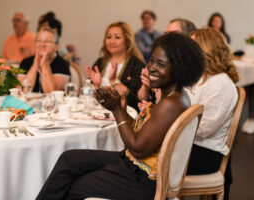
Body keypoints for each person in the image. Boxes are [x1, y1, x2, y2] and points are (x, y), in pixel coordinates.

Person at [35, 32, 205, 200]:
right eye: (151, 61)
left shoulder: (171, 104)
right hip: (133, 164)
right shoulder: (175, 96)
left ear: (179, 68)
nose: (151, 67)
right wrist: (121, 109)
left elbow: (138, 148)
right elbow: (144, 135)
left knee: (72, 187)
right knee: (68, 160)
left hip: (142, 179)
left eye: (161, 64)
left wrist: (117, 110)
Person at [186, 27, 239, 200]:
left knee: (150, 163)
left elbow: (204, 128)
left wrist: (172, 118)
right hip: (191, 146)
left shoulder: (221, 83)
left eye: (192, 46)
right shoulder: (197, 78)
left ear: (206, 49)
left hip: (206, 153)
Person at [85, 21, 145, 111]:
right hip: (98, 113)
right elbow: (88, 97)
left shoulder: (136, 65)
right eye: (108, 37)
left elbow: (135, 101)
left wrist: (115, 82)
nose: (112, 41)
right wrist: (96, 85)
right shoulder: (100, 62)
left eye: (117, 37)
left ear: (128, 41)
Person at [138, 18, 197, 103]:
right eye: (166, 34)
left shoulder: (186, 70)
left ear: (187, 38)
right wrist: (147, 86)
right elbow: (141, 98)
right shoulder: (161, 60)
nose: (167, 38)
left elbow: (170, 105)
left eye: (172, 34)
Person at [18, 28, 70, 93]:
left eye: (47, 41)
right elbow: (23, 91)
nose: (42, 44)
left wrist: (44, 64)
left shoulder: (62, 64)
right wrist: (35, 65)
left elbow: (52, 93)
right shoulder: (25, 62)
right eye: (39, 41)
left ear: (56, 46)